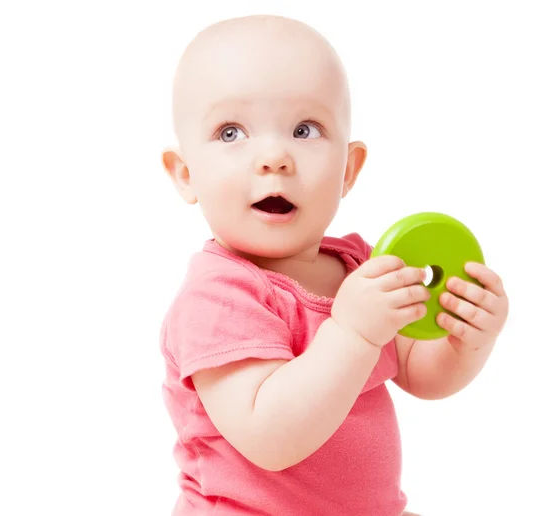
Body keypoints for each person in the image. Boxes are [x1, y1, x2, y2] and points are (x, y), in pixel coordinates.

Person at [159, 14, 509, 516]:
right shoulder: (216, 298)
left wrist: (467, 339)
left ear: (348, 169)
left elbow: (418, 370)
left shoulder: (360, 266)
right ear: (186, 174)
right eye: (231, 132)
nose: (275, 156)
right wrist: (352, 335)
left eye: (305, 129)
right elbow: (270, 436)